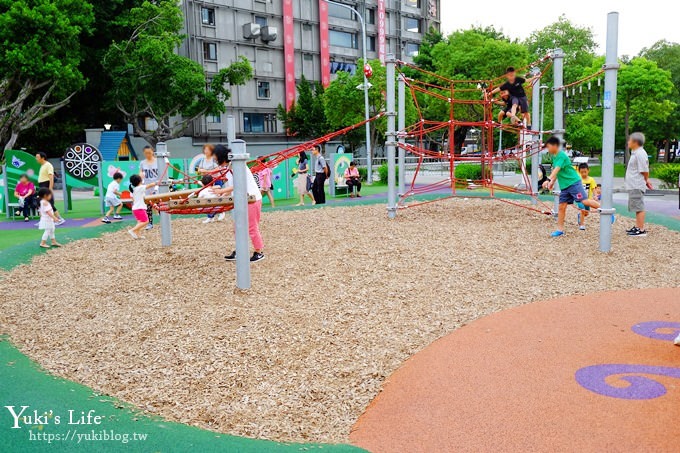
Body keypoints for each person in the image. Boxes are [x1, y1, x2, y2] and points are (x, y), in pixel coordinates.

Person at [212, 145, 265, 263]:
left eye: (217, 159)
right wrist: (223, 194)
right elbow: (232, 186)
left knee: (251, 227)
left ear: (222, 157)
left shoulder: (238, 166)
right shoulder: (230, 167)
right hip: (242, 199)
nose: (216, 162)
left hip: (252, 198)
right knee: (238, 227)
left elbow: (238, 184)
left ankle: (259, 252)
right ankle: (240, 251)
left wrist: (221, 191)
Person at [542, 136, 599, 237]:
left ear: (555, 146)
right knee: (561, 207)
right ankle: (560, 230)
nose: (548, 149)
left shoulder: (561, 155)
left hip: (573, 183)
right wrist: (552, 182)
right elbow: (557, 171)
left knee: (584, 201)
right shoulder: (554, 157)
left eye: (549, 146)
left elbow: (557, 169)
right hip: (565, 186)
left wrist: (548, 179)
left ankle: (605, 209)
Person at [625, 132, 652, 237]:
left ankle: (641, 229)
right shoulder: (635, 153)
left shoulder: (640, 153)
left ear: (635, 142)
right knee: (636, 206)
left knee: (639, 206)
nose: (628, 142)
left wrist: (646, 180)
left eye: (629, 140)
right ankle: (638, 226)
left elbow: (644, 170)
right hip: (633, 184)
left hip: (636, 184)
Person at [35, 152, 65, 225]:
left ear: (42, 158)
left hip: (46, 185)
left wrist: (50, 188)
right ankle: (43, 220)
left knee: (49, 203)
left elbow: (51, 177)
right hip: (42, 185)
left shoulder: (48, 165)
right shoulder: (43, 165)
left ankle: (59, 219)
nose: (36, 159)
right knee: (40, 203)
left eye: (37, 157)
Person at [128, 174, 157, 239]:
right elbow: (149, 185)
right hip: (140, 208)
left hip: (136, 208)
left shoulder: (133, 190)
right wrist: (157, 182)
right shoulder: (140, 188)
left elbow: (133, 199)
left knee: (140, 222)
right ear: (140, 181)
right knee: (146, 221)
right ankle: (132, 230)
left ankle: (137, 235)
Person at [139, 146, 159, 230]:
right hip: (147, 186)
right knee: (148, 205)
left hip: (157, 185)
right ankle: (150, 223)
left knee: (159, 203)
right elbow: (140, 172)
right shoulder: (142, 163)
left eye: (149, 153)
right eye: (146, 153)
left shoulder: (158, 161)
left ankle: (164, 221)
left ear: (153, 152)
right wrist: (141, 175)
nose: (148, 154)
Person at [576, 163, 598, 230]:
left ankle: (580, 216)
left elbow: (593, 189)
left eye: (585, 172)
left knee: (586, 213)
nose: (583, 174)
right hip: (580, 199)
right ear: (579, 172)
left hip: (588, 200)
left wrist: (595, 195)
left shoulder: (591, 180)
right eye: (582, 172)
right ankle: (582, 225)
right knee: (582, 209)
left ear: (588, 171)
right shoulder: (578, 179)